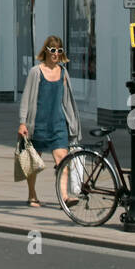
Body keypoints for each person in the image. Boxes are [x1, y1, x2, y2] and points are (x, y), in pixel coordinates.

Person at [18, 35, 81, 208]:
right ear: (46, 51)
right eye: (53, 50)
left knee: (63, 160)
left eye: (59, 51)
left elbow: (68, 100)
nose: (56, 54)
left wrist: (73, 122)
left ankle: (64, 197)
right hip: (38, 125)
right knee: (34, 163)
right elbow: (26, 99)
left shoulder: (63, 72)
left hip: (58, 124)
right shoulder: (36, 72)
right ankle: (32, 194)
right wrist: (23, 122)